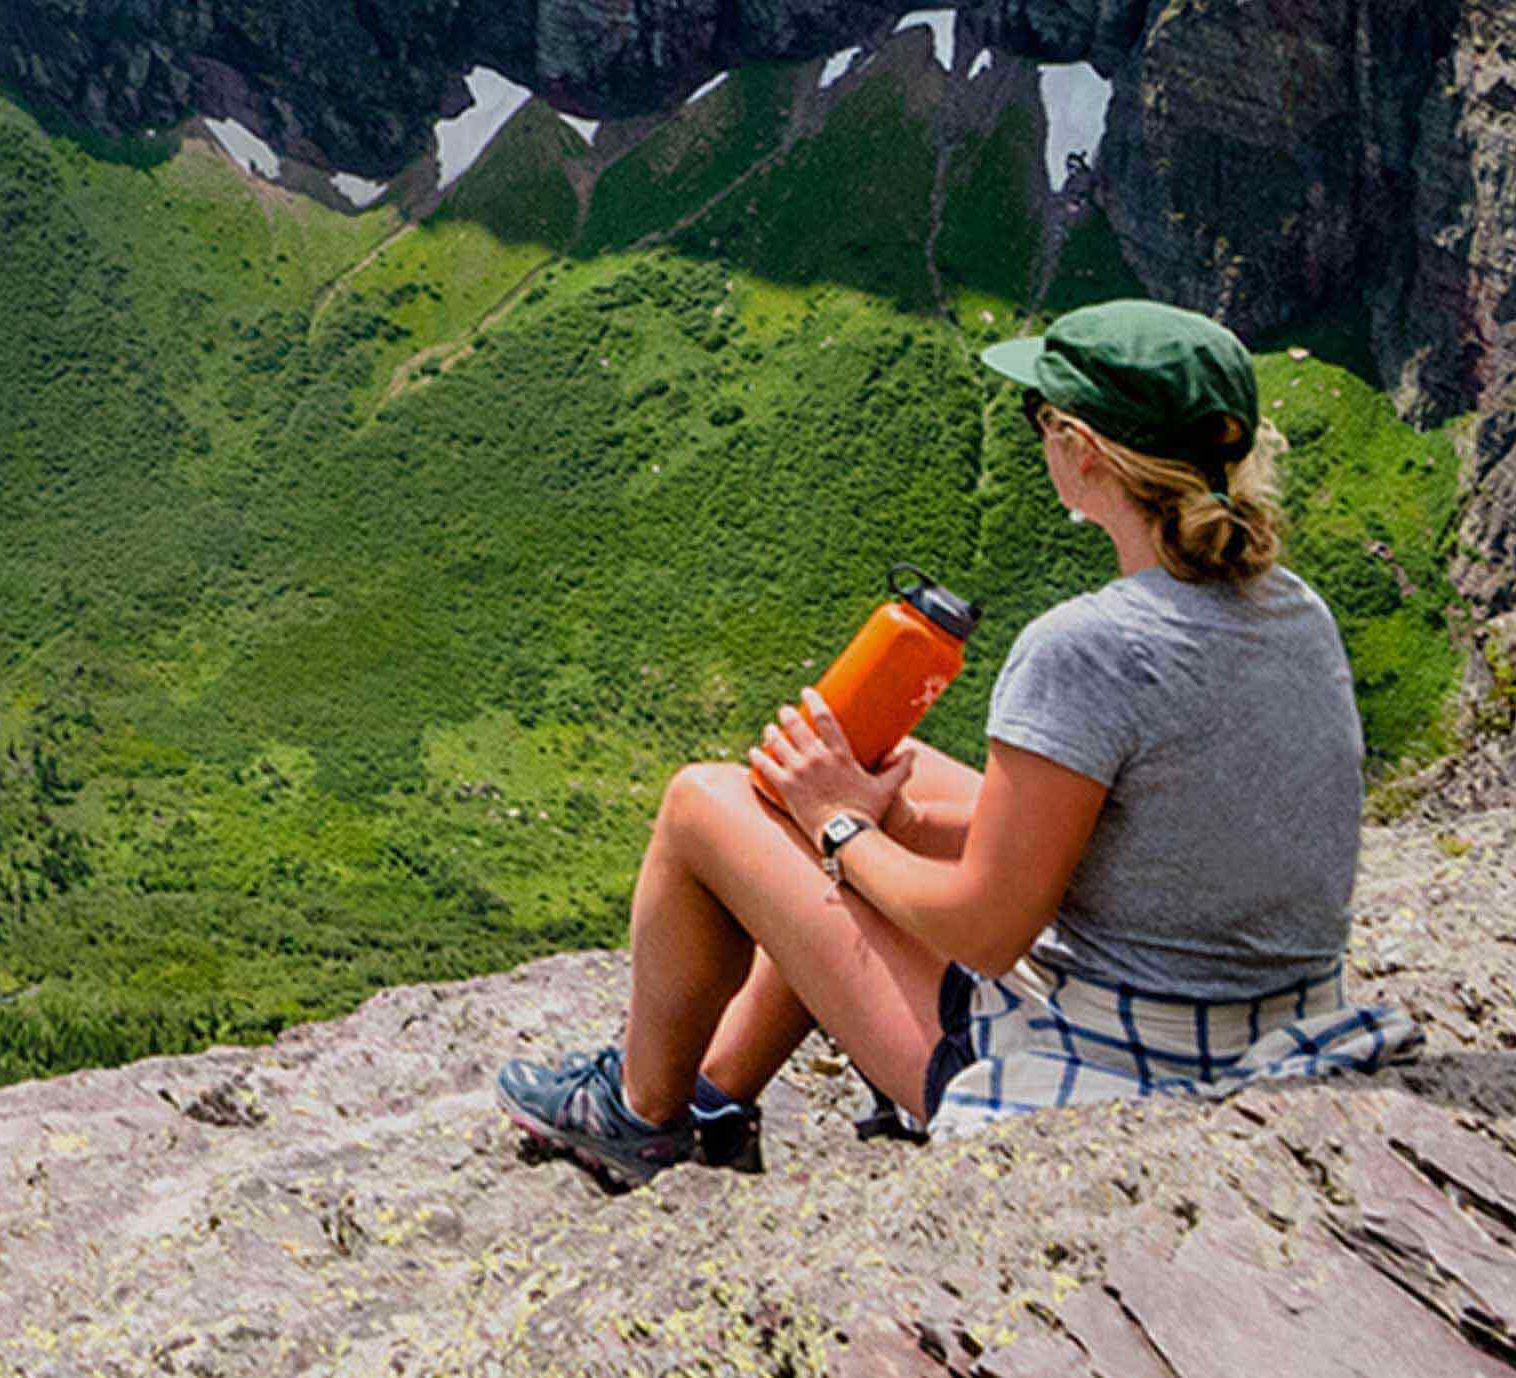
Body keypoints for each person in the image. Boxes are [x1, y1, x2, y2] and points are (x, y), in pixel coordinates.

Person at [490, 298, 1398, 1186]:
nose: (1037, 435)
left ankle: (641, 1114)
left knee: (702, 802)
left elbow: (986, 934)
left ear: (1081, 453)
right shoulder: (1294, 607)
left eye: (1041, 416)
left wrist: (842, 830)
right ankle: (717, 1095)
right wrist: (884, 812)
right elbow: (1165, 829)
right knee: (899, 766)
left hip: (1116, 1062)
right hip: (1268, 1020)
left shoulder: (1085, 647)